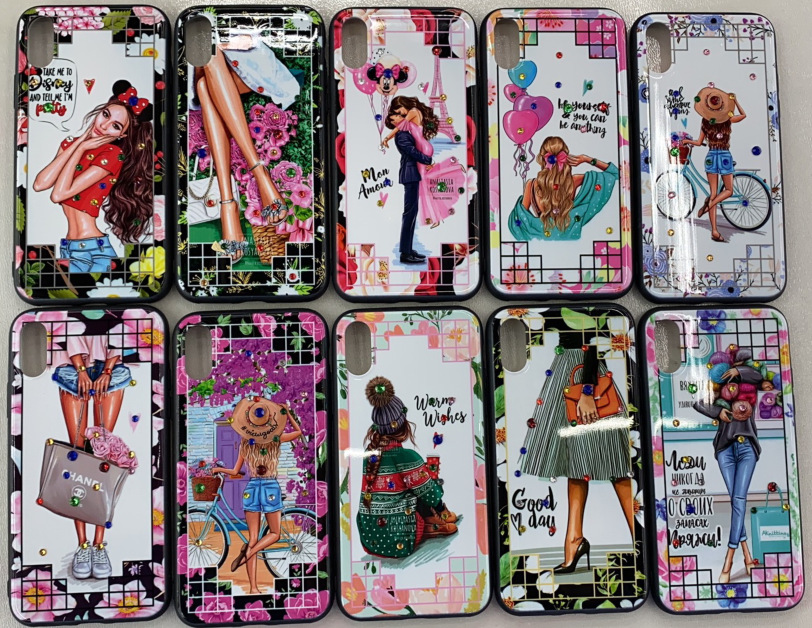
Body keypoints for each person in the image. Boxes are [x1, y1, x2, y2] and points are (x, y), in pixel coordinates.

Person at [519, 324, 634, 573]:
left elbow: (593, 332)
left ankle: (641, 538)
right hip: (567, 370)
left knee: (614, 461)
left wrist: (588, 389)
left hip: (585, 373)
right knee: (576, 462)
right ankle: (574, 540)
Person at [194, 34, 300, 261]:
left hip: (249, 69)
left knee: (208, 61)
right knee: (204, 76)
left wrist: (220, 42)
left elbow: (251, 37)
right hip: (207, 71)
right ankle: (256, 176)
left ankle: (228, 203)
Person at [32, 80, 153, 273]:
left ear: (122, 135)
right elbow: (40, 184)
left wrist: (80, 149)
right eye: (105, 114)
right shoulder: (71, 144)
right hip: (69, 246)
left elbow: (58, 194)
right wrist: (80, 142)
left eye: (115, 126)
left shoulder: (113, 155)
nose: (104, 126)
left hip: (93, 251)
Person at [52, 334, 133, 579]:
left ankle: (98, 544)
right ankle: (83, 544)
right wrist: (80, 368)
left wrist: (107, 370)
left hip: (112, 368)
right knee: (77, 459)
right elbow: (69, 330)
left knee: (103, 459)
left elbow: (121, 331)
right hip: (71, 367)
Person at [693, 345, 774, 583]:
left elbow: (758, 376)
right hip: (724, 449)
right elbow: (698, 403)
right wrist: (718, 412)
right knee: (736, 501)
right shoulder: (720, 390)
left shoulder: (750, 384)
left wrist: (739, 372)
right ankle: (748, 556)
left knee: (739, 500)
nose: (733, 371)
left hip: (747, 447)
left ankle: (728, 560)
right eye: (731, 368)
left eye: (737, 367)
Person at [357, 377, 458, 558]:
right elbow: (429, 493)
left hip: (369, 537)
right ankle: (436, 520)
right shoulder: (406, 456)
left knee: (409, 485)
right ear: (403, 424)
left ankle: (432, 520)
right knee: (425, 485)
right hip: (399, 539)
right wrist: (440, 507)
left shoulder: (369, 455)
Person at [212, 396, 301, 594]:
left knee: (252, 538)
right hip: (270, 487)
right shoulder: (275, 439)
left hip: (252, 488)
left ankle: (253, 586)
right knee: (274, 533)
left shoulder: (246, 443)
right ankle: (250, 552)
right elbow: (298, 432)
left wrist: (219, 470)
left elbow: (235, 471)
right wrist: (287, 413)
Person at [508, 136, 618, 241]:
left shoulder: (531, 184)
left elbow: (519, 220)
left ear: (542, 158)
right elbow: (615, 173)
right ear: (566, 158)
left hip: (541, 243)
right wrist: (586, 159)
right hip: (573, 242)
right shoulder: (574, 180)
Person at [383, 96, 465, 230]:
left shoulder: (412, 111)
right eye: (397, 113)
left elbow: (399, 127)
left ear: (403, 105)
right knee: (426, 181)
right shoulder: (414, 113)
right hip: (423, 146)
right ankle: (435, 215)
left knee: (424, 184)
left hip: (422, 147)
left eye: (399, 111)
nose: (399, 114)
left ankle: (435, 216)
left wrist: (387, 138)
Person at [681, 87, 746, 242]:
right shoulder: (727, 120)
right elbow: (743, 115)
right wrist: (735, 101)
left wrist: (688, 141)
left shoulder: (705, 122)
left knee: (713, 194)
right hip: (724, 156)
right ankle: (711, 206)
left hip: (711, 156)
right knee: (729, 190)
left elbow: (698, 142)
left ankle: (714, 228)